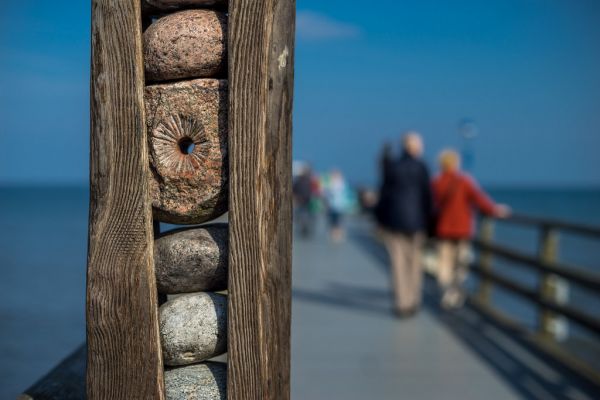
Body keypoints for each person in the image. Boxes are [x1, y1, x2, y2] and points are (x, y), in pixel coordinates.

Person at [432, 149, 510, 309]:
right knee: (461, 264)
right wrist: (495, 209)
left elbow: (431, 205)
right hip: (461, 230)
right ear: (455, 163)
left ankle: (446, 293)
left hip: (443, 229)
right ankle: (455, 293)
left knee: (444, 265)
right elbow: (479, 199)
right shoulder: (464, 181)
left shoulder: (436, 182)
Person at [374, 132, 432, 317]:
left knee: (398, 263)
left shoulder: (393, 167)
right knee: (415, 262)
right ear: (414, 147)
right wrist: (429, 222)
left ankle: (401, 303)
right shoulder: (422, 167)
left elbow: (384, 194)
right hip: (417, 222)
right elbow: (427, 197)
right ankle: (414, 300)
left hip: (395, 221)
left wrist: (381, 220)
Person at [322, 169, 348, 242]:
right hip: (334, 206)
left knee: (336, 221)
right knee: (334, 221)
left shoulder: (340, 183)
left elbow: (327, 193)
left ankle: (337, 236)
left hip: (338, 206)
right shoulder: (339, 183)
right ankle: (335, 235)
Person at [293, 165, 319, 238]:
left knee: (304, 215)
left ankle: (304, 226)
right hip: (305, 200)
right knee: (306, 215)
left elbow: (294, 189)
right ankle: (305, 227)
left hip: (304, 200)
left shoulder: (299, 180)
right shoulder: (309, 180)